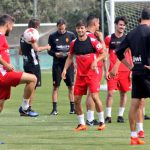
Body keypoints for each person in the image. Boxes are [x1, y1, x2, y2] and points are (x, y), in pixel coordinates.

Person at [62, 20, 106, 131]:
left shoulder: (93, 41)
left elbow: (104, 53)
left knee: (95, 97)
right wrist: (65, 70)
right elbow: (70, 57)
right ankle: (82, 124)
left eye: (82, 28)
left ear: (85, 29)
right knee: (76, 100)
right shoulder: (73, 43)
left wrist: (96, 61)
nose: (80, 30)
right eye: (78, 28)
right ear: (76, 29)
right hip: (80, 76)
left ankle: (102, 122)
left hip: (92, 74)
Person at [116, 7, 150, 145]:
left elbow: (119, 52)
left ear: (140, 18)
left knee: (134, 104)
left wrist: (130, 66)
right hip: (148, 72)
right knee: (138, 104)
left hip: (136, 72)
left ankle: (133, 136)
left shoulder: (131, 34)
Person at [0, 14, 37, 114]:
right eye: (11, 26)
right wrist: (6, 65)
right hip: (3, 75)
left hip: (3, 74)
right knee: (33, 79)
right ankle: (25, 108)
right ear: (7, 24)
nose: (11, 29)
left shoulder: (2, 37)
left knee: (1, 103)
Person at [19, 18, 51, 117]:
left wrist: (28, 54)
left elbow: (20, 51)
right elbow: (37, 49)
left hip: (26, 63)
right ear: (36, 26)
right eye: (38, 26)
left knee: (29, 84)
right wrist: (47, 47)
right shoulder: (31, 35)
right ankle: (27, 109)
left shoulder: (23, 35)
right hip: (33, 64)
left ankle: (24, 107)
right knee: (33, 87)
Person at [104, 16, 132, 123]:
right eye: (120, 24)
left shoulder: (127, 38)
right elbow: (106, 55)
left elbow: (130, 53)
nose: (122, 27)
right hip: (112, 71)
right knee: (110, 93)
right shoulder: (108, 39)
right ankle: (108, 116)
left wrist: (131, 70)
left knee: (124, 93)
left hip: (125, 70)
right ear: (116, 25)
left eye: (124, 25)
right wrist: (106, 70)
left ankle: (120, 116)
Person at [48, 19, 76, 115]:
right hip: (57, 65)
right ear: (57, 26)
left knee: (71, 86)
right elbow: (49, 50)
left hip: (69, 65)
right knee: (56, 86)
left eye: (63, 27)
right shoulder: (52, 36)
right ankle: (54, 109)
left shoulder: (71, 35)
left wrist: (71, 53)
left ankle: (73, 109)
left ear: (65, 26)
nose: (61, 29)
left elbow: (76, 48)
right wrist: (55, 54)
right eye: (59, 27)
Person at [85, 14, 107, 126]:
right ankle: (90, 119)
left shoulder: (87, 36)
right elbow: (104, 52)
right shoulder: (92, 37)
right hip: (94, 68)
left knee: (91, 93)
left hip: (89, 67)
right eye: (98, 23)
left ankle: (90, 118)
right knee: (92, 93)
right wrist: (102, 39)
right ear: (94, 23)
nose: (99, 25)